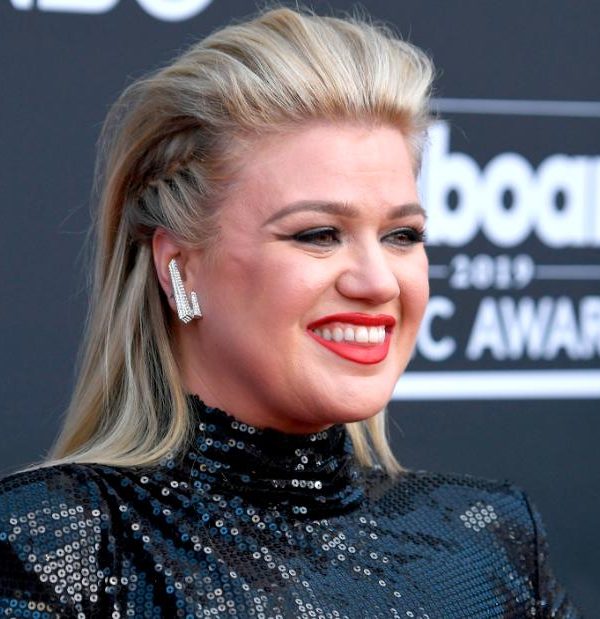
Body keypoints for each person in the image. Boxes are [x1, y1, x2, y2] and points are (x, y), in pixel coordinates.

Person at [0, 6, 581, 618]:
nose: (377, 281)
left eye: (402, 235)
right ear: (180, 267)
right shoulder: (64, 546)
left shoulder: (490, 543)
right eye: (318, 234)